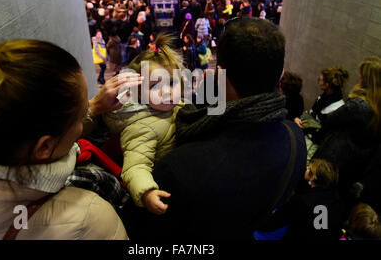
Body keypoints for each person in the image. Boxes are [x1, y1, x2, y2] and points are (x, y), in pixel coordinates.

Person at [124, 17, 307, 240]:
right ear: (280, 76)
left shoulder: (178, 168)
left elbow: (145, 236)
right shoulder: (296, 139)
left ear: (219, 74)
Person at [0, 34, 143, 239]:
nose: (85, 116)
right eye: (79, 116)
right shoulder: (87, 219)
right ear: (43, 148)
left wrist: (93, 108)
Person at [102, 34, 183, 215]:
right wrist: (147, 192)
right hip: (164, 187)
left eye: (172, 82)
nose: (167, 91)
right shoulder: (140, 126)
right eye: (154, 86)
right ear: (139, 92)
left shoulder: (177, 105)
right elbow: (135, 166)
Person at [312, 57, 381, 205]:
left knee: (315, 197)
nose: (359, 77)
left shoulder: (359, 105)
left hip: (334, 159)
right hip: (354, 167)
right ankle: (319, 225)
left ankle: (310, 224)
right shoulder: (377, 108)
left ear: (367, 80)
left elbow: (330, 119)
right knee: (327, 204)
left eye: (362, 75)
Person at [256, 158, 344, 240]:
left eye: (309, 169)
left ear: (313, 178)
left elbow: (269, 225)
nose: (306, 168)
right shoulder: (337, 202)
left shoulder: (302, 201)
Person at [295, 66, 349, 144]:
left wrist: (307, 122)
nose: (319, 82)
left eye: (320, 80)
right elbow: (314, 114)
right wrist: (306, 118)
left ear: (327, 85)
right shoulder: (325, 95)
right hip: (307, 131)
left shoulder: (336, 108)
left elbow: (322, 131)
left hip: (314, 142)